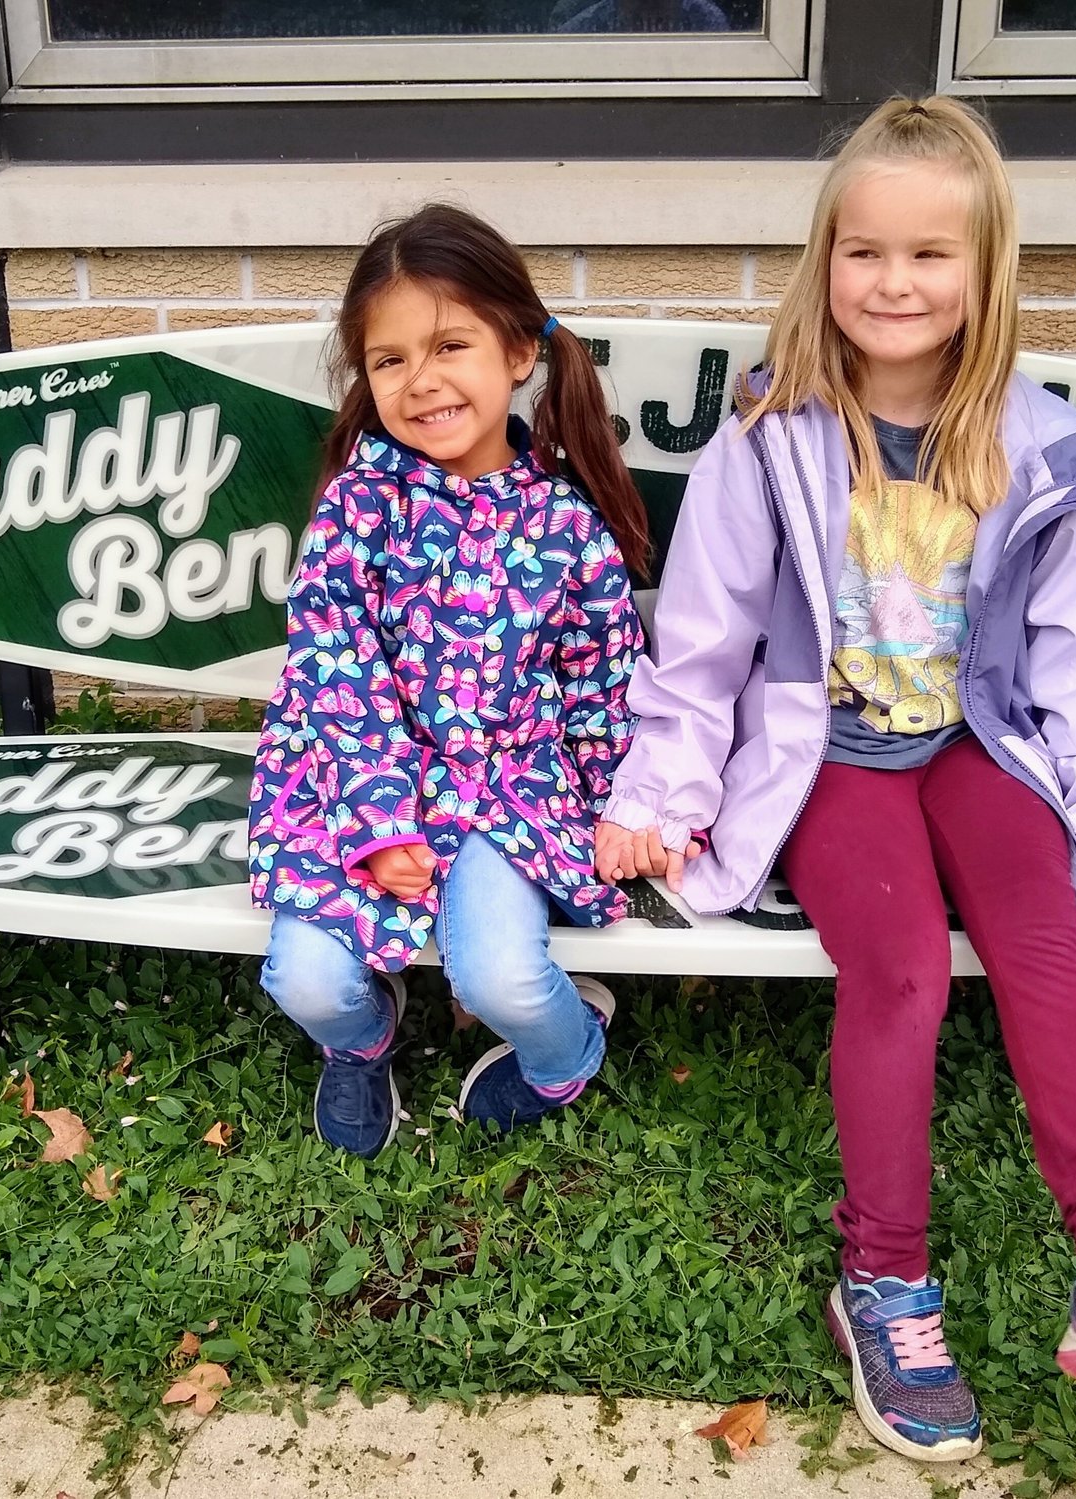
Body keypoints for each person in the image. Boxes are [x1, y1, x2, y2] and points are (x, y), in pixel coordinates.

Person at [595, 96, 1076, 1460]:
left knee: (1047, 923)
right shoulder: (769, 438)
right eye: (865, 252)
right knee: (896, 962)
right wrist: (659, 800)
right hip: (825, 759)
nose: (894, 283)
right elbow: (706, 639)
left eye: (929, 256)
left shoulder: (1043, 448)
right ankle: (882, 1279)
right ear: (823, 261)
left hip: (978, 742)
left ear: (984, 270)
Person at [247, 204, 649, 1159]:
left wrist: (623, 806)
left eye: (449, 344)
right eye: (388, 360)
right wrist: (381, 819)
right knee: (305, 981)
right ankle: (365, 1038)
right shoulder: (359, 506)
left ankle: (566, 1054)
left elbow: (604, 685)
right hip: (351, 784)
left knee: (501, 982)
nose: (419, 380)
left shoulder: (565, 527)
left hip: (506, 791)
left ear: (517, 352)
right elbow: (331, 667)